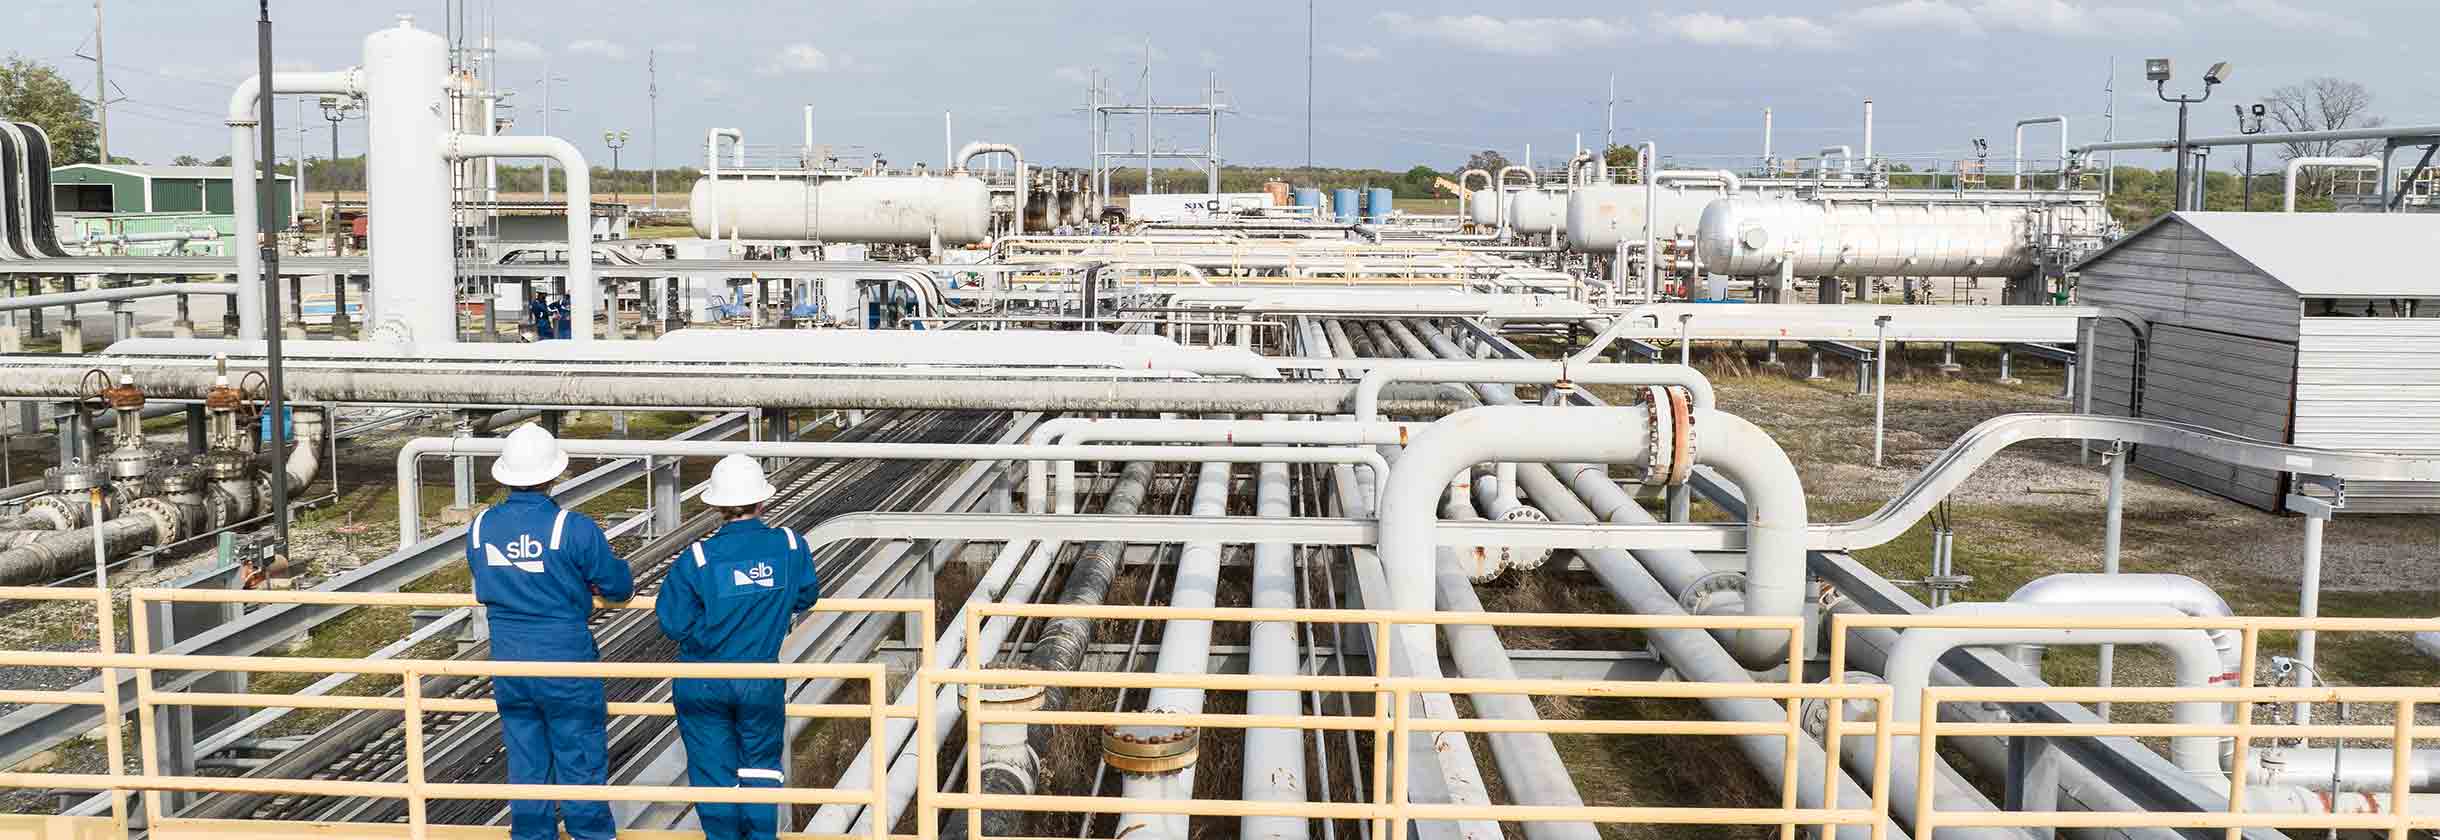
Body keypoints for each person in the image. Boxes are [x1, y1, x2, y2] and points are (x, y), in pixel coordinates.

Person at [465, 424, 635, 840]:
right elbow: (618, 585)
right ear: (553, 475)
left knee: (525, 758)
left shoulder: (480, 527)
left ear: (505, 475)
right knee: (578, 755)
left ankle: (531, 834)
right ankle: (591, 835)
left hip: (509, 658)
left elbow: (487, 575)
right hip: (565, 660)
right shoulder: (571, 528)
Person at [655, 454, 820, 840]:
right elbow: (806, 595)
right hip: (760, 677)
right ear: (762, 502)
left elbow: (673, 623)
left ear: (716, 506)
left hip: (702, 678)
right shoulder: (790, 546)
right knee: (761, 768)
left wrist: (709, 634)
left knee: (713, 773)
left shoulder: (697, 558)